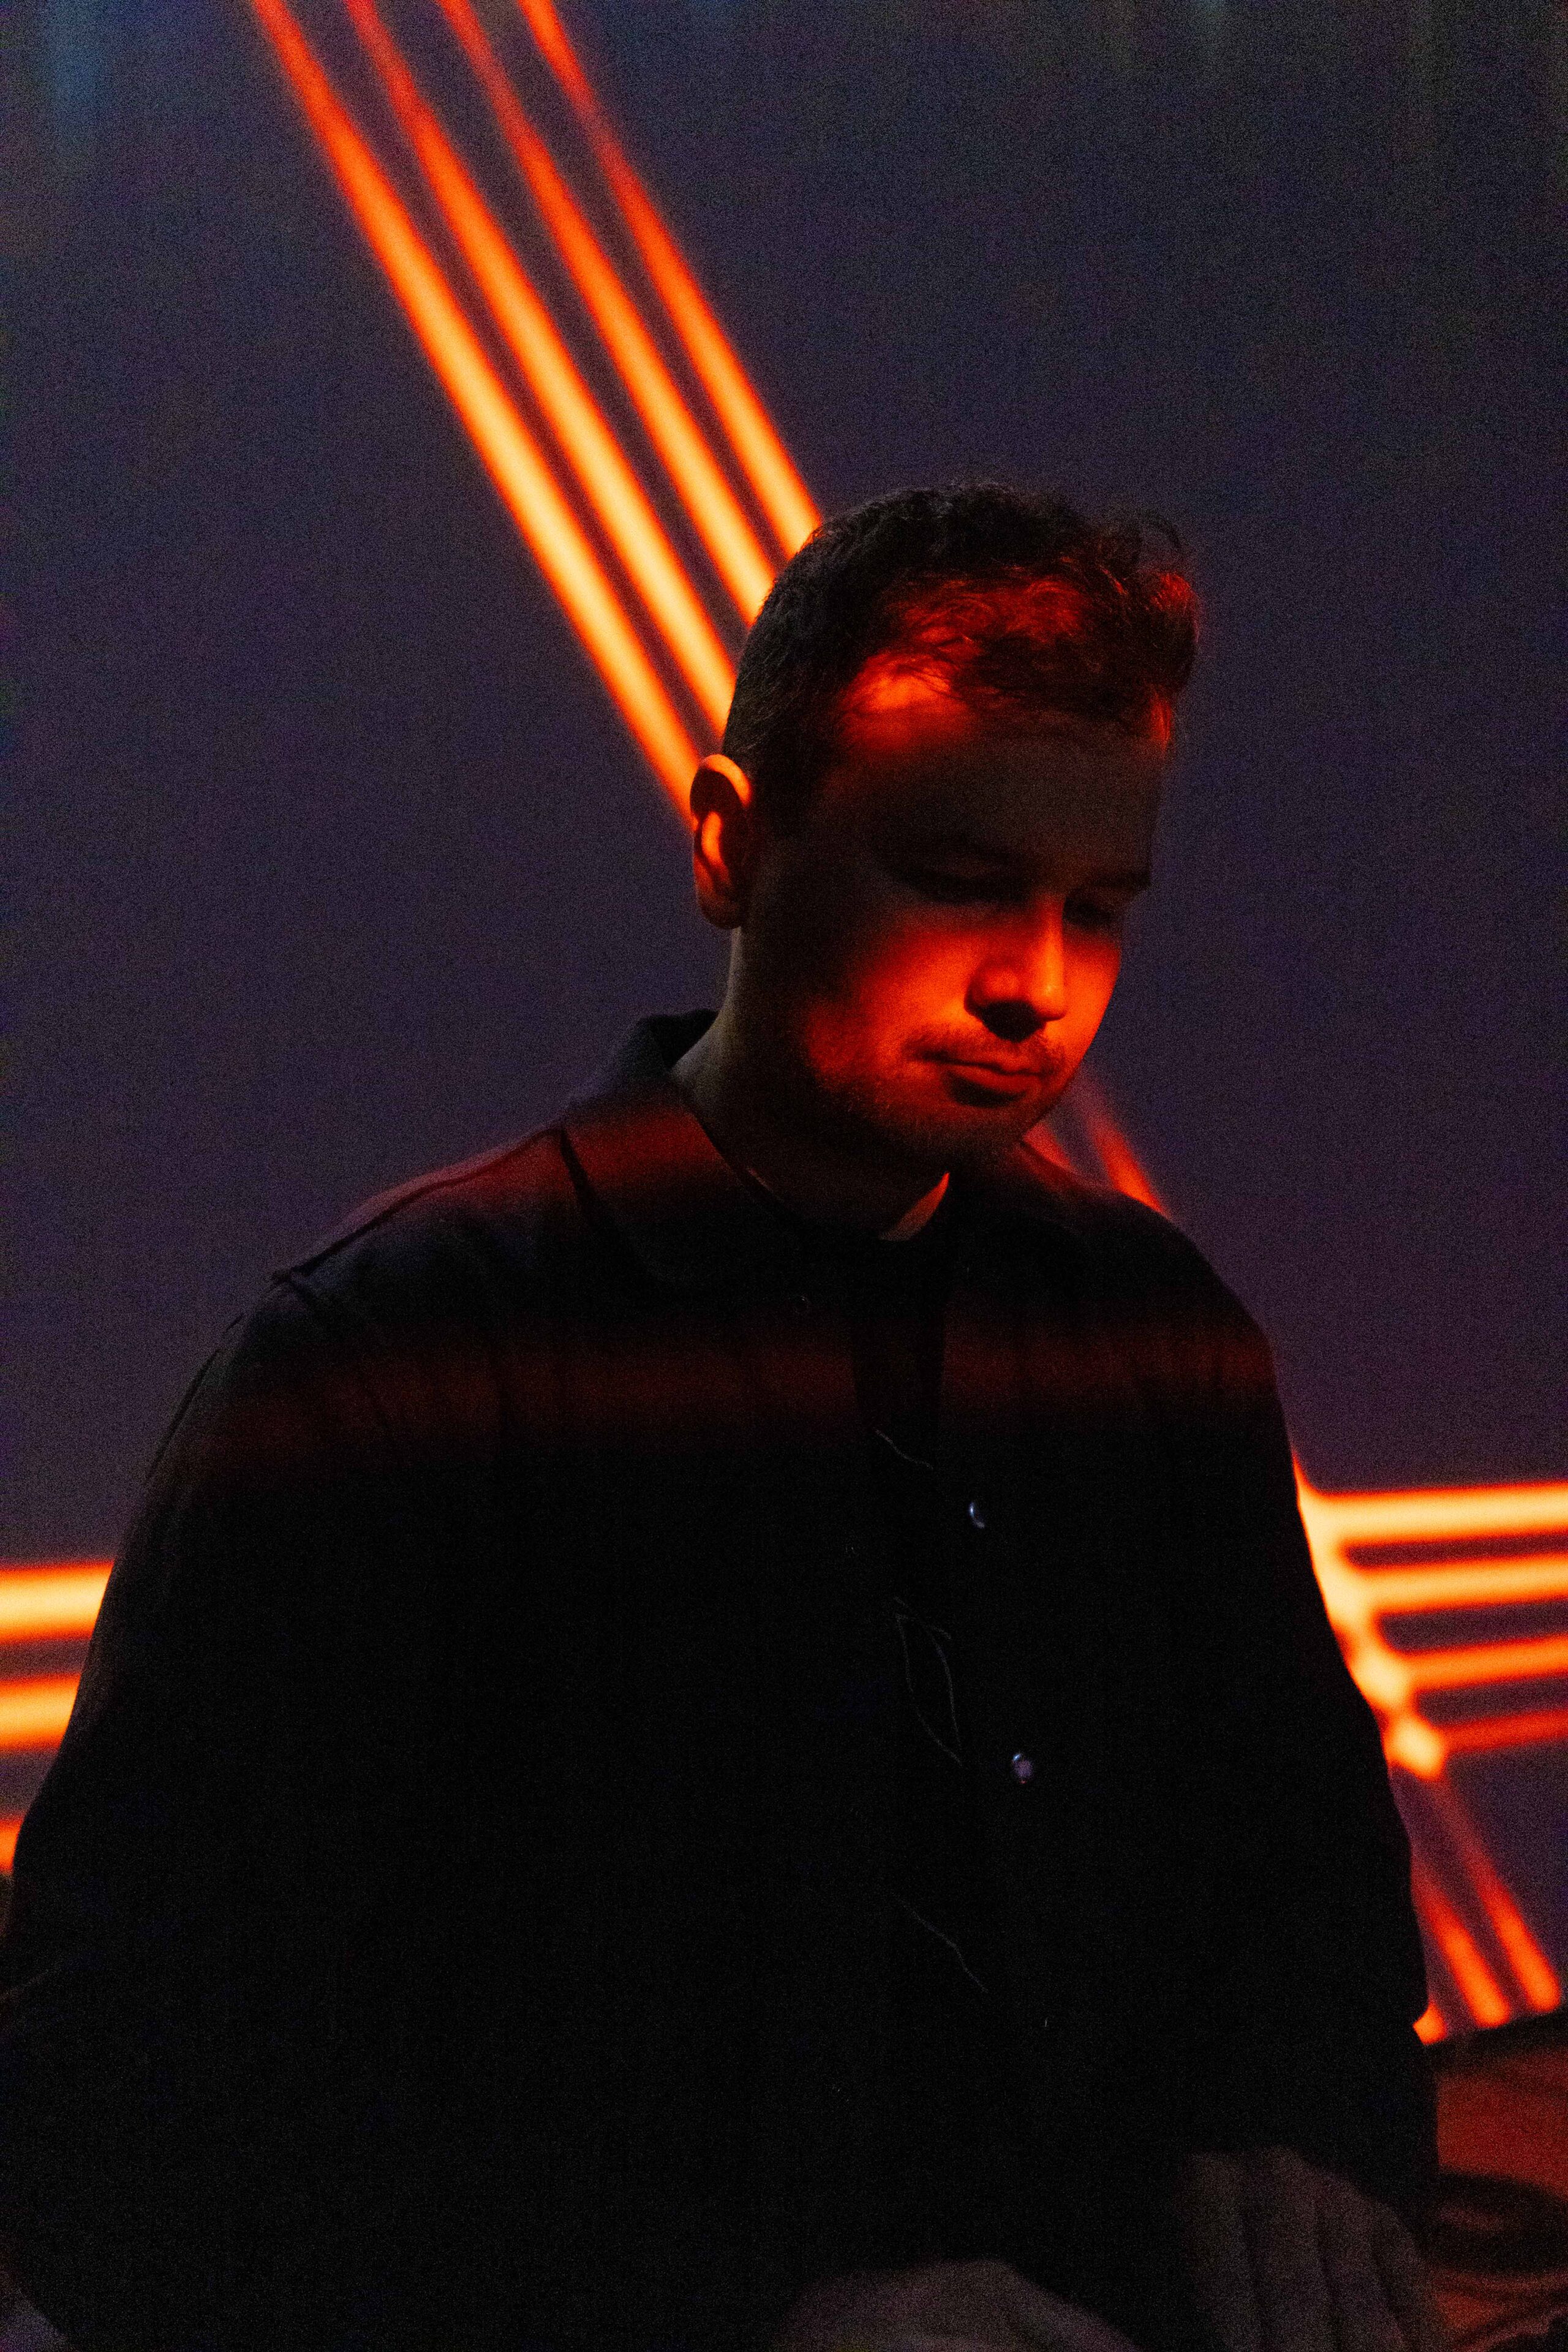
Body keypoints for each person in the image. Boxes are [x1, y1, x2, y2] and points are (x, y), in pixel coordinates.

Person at [0, 484, 1445, 2352]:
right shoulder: (383, 1371)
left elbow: (1310, 1893)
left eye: (1098, 909)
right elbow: (110, 2106)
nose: (1036, 983)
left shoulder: (1153, 1341)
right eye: (959, 878)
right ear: (729, 845)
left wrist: (1305, 2145)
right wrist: (741, 2323)